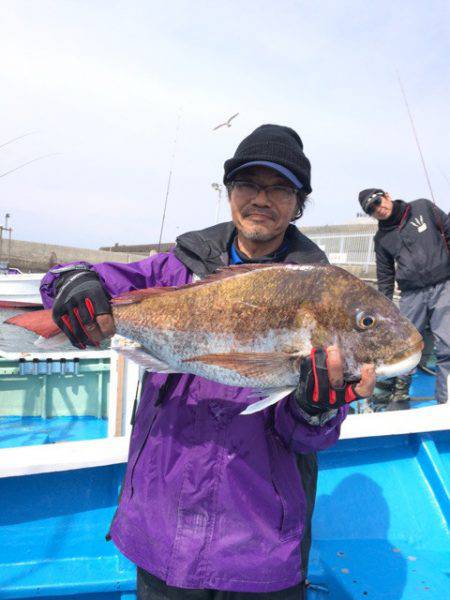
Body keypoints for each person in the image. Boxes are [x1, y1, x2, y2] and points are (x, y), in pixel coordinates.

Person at [41, 125, 375, 599]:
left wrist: (315, 407)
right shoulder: (175, 269)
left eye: (279, 188)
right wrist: (74, 284)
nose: (261, 198)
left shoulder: (322, 289)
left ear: (299, 203)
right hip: (161, 529)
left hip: (261, 545)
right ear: (228, 193)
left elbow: (307, 436)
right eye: (247, 184)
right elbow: (68, 278)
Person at [358, 188, 450, 407]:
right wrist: (383, 308)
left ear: (387, 196)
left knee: (447, 345)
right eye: (372, 209)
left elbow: (447, 230)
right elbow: (385, 275)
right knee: (403, 347)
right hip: (411, 295)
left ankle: (445, 401)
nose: (379, 208)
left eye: (378, 201)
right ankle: (400, 393)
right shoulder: (381, 239)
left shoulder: (422, 207)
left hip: (444, 286)